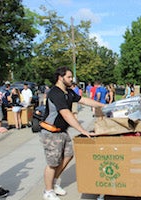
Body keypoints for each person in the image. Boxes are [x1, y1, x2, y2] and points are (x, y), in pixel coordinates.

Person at [39, 66, 105, 200]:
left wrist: (103, 106)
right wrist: (82, 130)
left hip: (62, 131)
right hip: (51, 132)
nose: (71, 79)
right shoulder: (55, 93)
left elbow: (84, 100)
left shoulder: (68, 92)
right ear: (60, 77)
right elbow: (66, 114)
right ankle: (48, 191)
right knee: (53, 163)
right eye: (69, 77)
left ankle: (55, 182)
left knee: (68, 155)